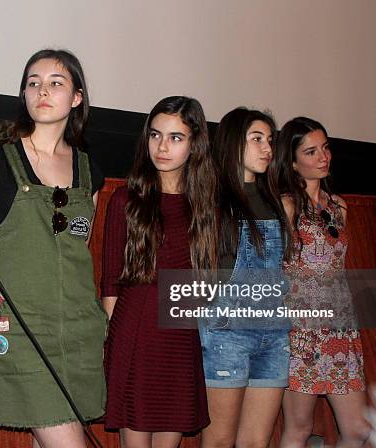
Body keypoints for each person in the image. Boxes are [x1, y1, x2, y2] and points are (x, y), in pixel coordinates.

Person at [0, 49, 106, 448]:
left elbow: (78, 245)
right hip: (22, 327)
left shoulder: (89, 170)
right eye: (33, 82)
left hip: (79, 327)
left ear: (77, 98)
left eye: (55, 83)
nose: (42, 91)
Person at [102, 96, 217, 447]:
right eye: (155, 135)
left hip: (179, 336)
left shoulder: (204, 206)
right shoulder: (125, 199)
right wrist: (117, 345)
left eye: (175, 137)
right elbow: (109, 285)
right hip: (134, 331)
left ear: (194, 144)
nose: (162, 146)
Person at [197, 107, 291, 448]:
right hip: (227, 334)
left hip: (275, 334)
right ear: (234, 143)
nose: (267, 148)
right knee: (220, 440)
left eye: (270, 140)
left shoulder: (276, 202)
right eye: (257, 139)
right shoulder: (212, 199)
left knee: (256, 442)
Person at [273, 117, 369, 447]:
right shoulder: (285, 204)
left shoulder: (338, 206)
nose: (323, 157)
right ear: (293, 161)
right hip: (301, 331)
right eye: (311, 151)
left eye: (325, 148)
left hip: (341, 329)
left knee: (357, 429)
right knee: (299, 428)